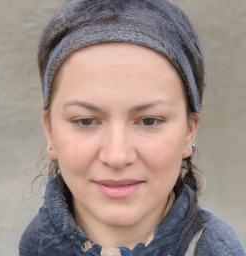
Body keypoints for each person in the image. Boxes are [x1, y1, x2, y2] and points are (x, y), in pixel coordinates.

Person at [19, 0, 246, 255]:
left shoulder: (216, 249)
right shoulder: (33, 243)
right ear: (49, 130)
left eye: (149, 120)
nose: (117, 156)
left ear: (189, 131)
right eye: (86, 121)